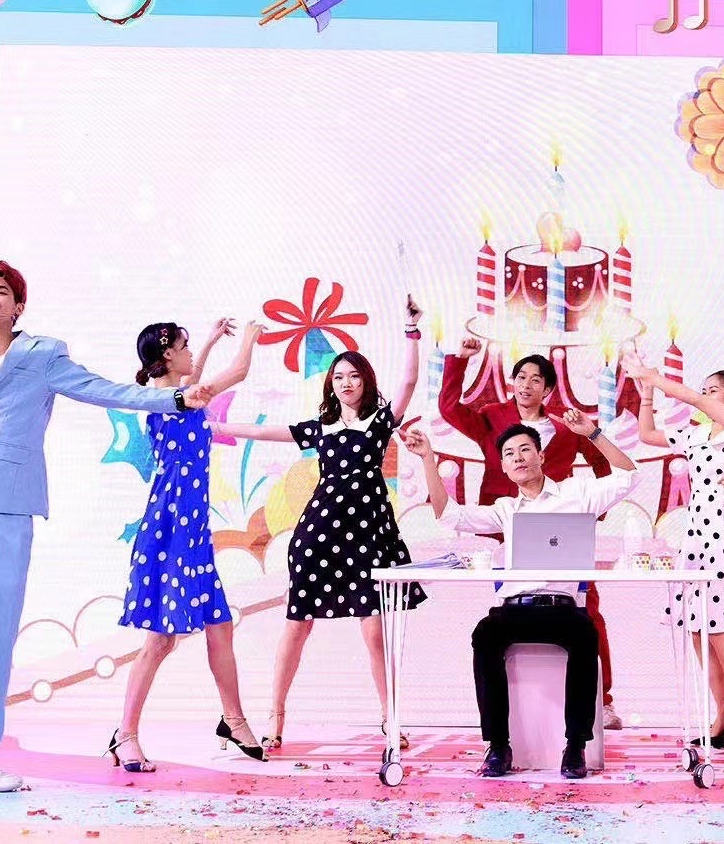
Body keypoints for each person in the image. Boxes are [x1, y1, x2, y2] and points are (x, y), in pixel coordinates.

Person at [0, 262, 212, 798]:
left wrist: (176, 399)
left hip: (5, 509)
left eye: (1, 292)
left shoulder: (41, 355)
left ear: (18, 307)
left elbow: (99, 390)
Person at [210, 296, 424, 752]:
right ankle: (276, 716)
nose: (346, 382)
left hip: (368, 535)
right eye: (339, 376)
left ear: (366, 381)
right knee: (298, 624)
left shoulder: (380, 422)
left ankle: (391, 719)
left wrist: (411, 330)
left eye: (354, 375)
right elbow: (263, 432)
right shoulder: (319, 427)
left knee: (374, 631)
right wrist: (215, 427)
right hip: (319, 535)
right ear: (331, 384)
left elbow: (408, 380)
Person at [404, 416, 636, 780]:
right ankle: (498, 746)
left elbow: (630, 476)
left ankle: (575, 746)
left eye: (525, 449)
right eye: (510, 453)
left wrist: (592, 433)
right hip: (515, 609)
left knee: (585, 635)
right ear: (504, 467)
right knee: (485, 634)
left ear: (541, 456)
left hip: (563, 609)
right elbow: (448, 515)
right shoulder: (505, 510)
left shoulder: (577, 494)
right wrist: (427, 459)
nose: (518, 457)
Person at [108, 317, 269, 772]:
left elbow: (191, 383)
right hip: (171, 531)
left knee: (220, 626)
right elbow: (237, 373)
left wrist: (213, 340)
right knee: (161, 640)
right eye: (186, 345)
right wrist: (251, 337)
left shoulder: (176, 396)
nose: (191, 352)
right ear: (167, 356)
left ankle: (233, 720)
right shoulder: (171, 401)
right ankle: (125, 735)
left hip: (191, 531)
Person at [440, 339, 626, 731]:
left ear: (548, 389)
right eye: (521, 377)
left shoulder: (565, 428)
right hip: (506, 527)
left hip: (560, 531)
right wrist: (460, 361)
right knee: (509, 609)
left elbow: (604, 465)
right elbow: (449, 409)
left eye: (536, 379)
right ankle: (512, 713)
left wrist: (591, 513)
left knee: (587, 606)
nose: (526, 384)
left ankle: (603, 701)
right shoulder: (492, 417)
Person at [628, 362, 724, 752]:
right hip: (695, 536)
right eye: (702, 390)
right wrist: (646, 392)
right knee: (697, 628)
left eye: (712, 391)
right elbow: (647, 434)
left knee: (719, 628)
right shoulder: (695, 434)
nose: (704, 397)